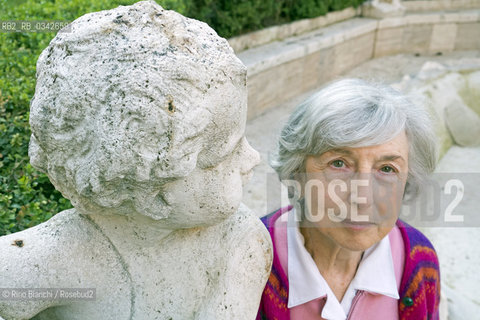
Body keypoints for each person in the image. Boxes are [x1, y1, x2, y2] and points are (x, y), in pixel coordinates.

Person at [0, 2, 271, 319]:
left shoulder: (238, 240)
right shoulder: (51, 260)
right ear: (154, 197)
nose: (253, 158)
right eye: (228, 153)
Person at [257, 78, 440, 320]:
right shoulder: (248, 256)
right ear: (296, 174)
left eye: (386, 169)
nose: (363, 199)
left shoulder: (420, 259)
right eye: (338, 164)